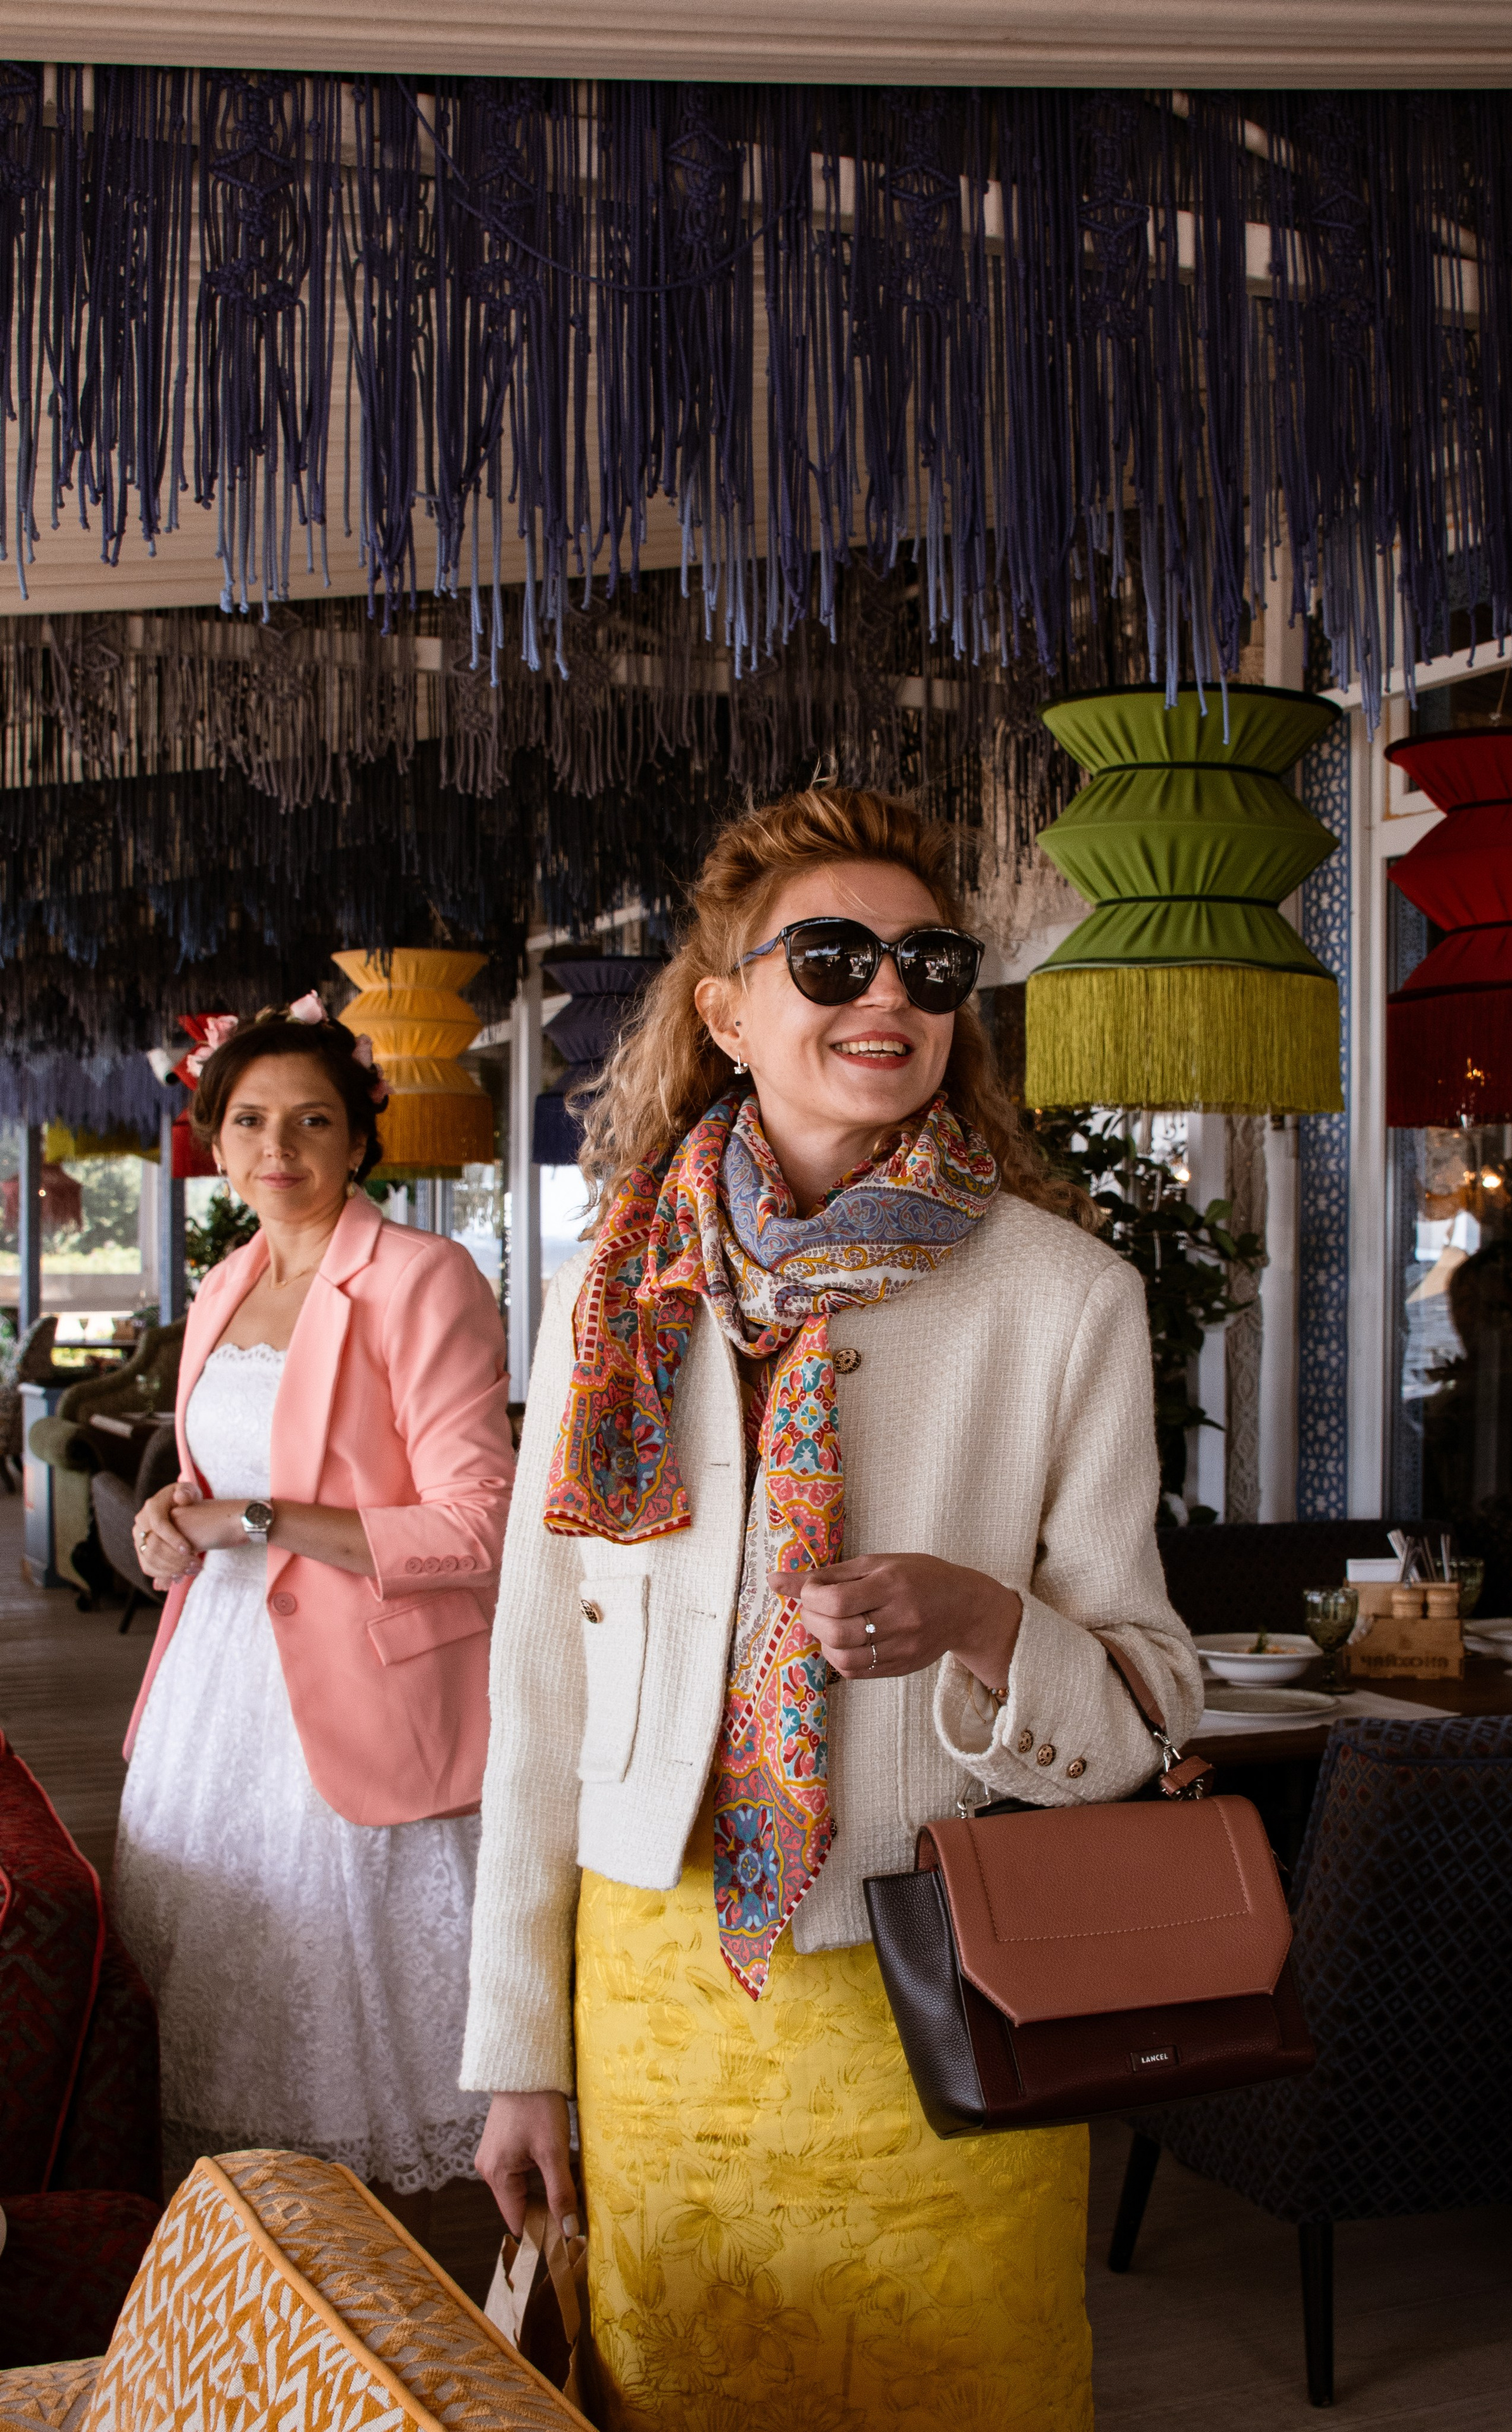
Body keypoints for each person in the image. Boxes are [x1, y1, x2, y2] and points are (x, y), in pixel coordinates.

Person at [463, 788, 1203, 2430]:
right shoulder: (613, 1294)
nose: (887, 994)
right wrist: (518, 2048)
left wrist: (980, 1618)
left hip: (945, 1986)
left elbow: (1150, 1705)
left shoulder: (1064, 1298)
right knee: (678, 2382)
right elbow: (537, 1692)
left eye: (928, 965)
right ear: (725, 1012)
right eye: (830, 958)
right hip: (660, 1986)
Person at [117, 994, 514, 2223]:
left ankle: (380, 2273)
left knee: (358, 2008)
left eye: (312, 1121)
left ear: (358, 1139)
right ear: (215, 1142)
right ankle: (251, 2245)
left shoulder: (422, 1279)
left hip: (364, 1677)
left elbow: (479, 1523)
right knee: (230, 1976)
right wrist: (169, 1519)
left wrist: (253, 1521)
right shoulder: (226, 1282)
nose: (277, 1148)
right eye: (249, 1121)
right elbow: (224, 1478)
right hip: (215, 1680)